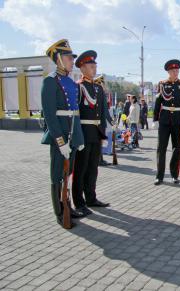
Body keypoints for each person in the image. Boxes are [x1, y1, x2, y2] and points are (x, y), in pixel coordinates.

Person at [41, 39, 85, 227]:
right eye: (68, 57)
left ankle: (67, 205)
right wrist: (61, 141)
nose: (71, 60)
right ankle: (59, 212)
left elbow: (76, 112)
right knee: (57, 174)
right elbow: (50, 116)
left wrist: (79, 137)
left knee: (69, 173)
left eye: (71, 57)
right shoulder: (50, 82)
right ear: (58, 59)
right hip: (60, 135)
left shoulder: (70, 82)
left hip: (72, 133)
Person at [72, 50, 110, 217]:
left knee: (93, 168)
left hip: (95, 133)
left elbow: (102, 112)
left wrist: (104, 133)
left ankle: (91, 198)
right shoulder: (78, 87)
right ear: (82, 68)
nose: (94, 68)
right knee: (81, 169)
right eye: (90, 65)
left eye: (95, 65)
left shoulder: (98, 88)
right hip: (83, 132)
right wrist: (76, 136)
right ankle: (79, 203)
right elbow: (75, 114)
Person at [153, 59, 180, 185]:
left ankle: (174, 174)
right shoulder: (162, 84)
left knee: (176, 148)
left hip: (178, 119)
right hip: (164, 120)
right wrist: (155, 119)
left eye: (177, 70)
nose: (176, 72)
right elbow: (158, 103)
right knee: (161, 148)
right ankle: (159, 176)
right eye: (173, 71)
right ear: (169, 72)